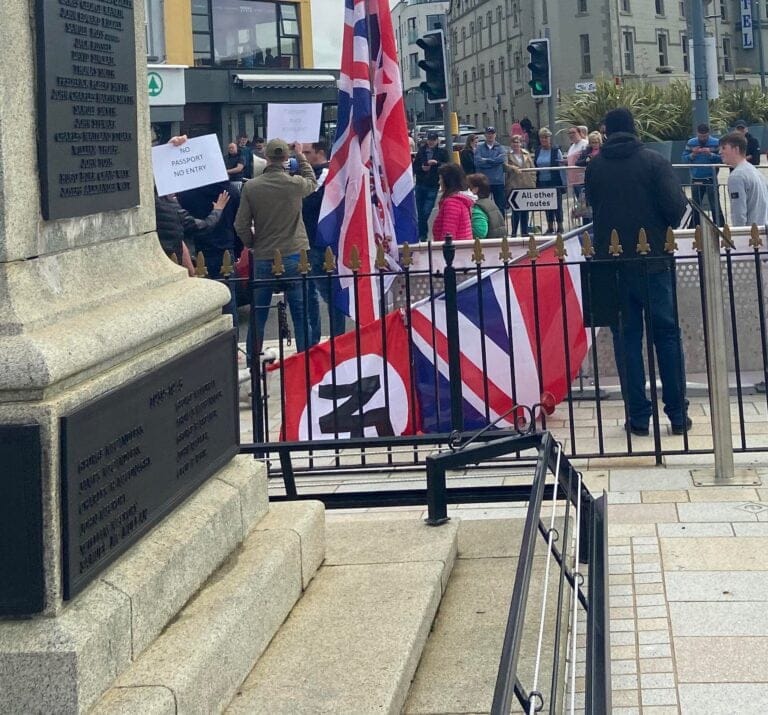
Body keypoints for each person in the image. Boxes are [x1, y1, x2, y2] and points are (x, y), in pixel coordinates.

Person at [585, 107, 689, 437]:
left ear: (607, 131)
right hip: (653, 261)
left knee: (626, 337)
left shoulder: (595, 167)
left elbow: (593, 205)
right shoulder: (655, 162)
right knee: (667, 335)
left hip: (613, 265)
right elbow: (676, 210)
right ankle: (676, 413)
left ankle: (639, 417)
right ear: (634, 129)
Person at [234, 139, 317, 361]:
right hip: (294, 253)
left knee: (258, 313)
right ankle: (304, 362)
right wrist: (300, 156)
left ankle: (254, 362)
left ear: (267, 158)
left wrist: (252, 244)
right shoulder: (295, 183)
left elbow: (240, 224)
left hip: (264, 255)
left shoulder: (251, 187)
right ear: (285, 160)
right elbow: (312, 181)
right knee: (300, 315)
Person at [301, 140, 346, 345]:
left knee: (328, 294)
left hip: (321, 242)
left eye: (307, 152)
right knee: (308, 296)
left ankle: (338, 339)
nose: (302, 156)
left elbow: (309, 203)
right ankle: (313, 341)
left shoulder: (325, 174)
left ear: (320, 153)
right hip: (306, 242)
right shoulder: (307, 175)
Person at [719, 132, 768, 226]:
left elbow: (738, 213)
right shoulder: (755, 171)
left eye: (724, 148)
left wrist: (738, 236)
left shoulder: (736, 177)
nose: (720, 152)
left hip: (750, 235)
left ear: (736, 149)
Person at [682, 123, 723, 226]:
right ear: (697, 134)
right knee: (696, 205)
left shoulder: (716, 142)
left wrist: (711, 154)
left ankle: (719, 225)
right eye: (700, 136)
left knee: (715, 204)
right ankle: (695, 226)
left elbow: (722, 158)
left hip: (711, 177)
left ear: (709, 134)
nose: (703, 138)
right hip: (696, 177)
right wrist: (693, 154)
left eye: (705, 136)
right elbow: (684, 158)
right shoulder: (691, 143)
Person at [413, 131, 450, 240]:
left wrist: (436, 163)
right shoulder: (421, 151)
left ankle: (422, 231)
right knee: (419, 211)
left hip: (432, 185)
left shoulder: (442, 152)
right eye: (430, 140)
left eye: (433, 140)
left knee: (426, 210)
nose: (431, 142)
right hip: (420, 183)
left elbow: (447, 166)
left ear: (437, 141)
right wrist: (422, 168)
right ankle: (422, 235)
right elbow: (415, 167)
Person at [534, 127, 565, 234]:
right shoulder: (538, 150)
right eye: (542, 138)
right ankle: (550, 226)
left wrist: (563, 183)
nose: (544, 140)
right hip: (542, 181)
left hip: (554, 181)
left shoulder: (556, 150)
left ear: (550, 138)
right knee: (547, 205)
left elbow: (561, 168)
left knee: (557, 205)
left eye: (546, 137)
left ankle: (560, 226)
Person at [432, 164, 474, 242]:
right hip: (461, 249)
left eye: (441, 179)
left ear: (448, 181)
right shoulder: (458, 200)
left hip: (456, 252)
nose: (439, 182)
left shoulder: (452, 204)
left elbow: (448, 235)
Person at [504, 134, 536, 236]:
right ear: (511, 144)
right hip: (514, 185)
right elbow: (504, 167)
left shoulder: (526, 154)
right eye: (514, 142)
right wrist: (512, 167)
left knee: (525, 210)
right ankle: (514, 233)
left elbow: (532, 169)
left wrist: (533, 182)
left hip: (526, 184)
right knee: (515, 210)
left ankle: (525, 232)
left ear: (521, 143)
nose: (516, 144)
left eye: (518, 142)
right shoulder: (508, 155)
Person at [475, 126, 507, 214]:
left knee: (500, 207)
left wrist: (486, 160)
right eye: (488, 133)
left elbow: (501, 160)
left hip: (498, 182)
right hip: (484, 182)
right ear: (485, 135)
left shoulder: (500, 148)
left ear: (495, 135)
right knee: (483, 207)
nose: (490, 135)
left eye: (492, 133)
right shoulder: (479, 148)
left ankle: (501, 226)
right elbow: (478, 162)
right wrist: (493, 162)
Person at [467, 173, 506, 239]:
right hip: (497, 245)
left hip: (485, 247)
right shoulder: (490, 204)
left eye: (468, 188)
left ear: (476, 189)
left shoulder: (478, 208)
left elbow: (479, 233)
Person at [565, 125, 588, 207]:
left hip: (582, 180)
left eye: (573, 132)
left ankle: (588, 220)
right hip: (574, 181)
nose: (571, 135)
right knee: (580, 206)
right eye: (569, 133)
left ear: (579, 133)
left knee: (585, 205)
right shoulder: (572, 147)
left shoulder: (585, 144)